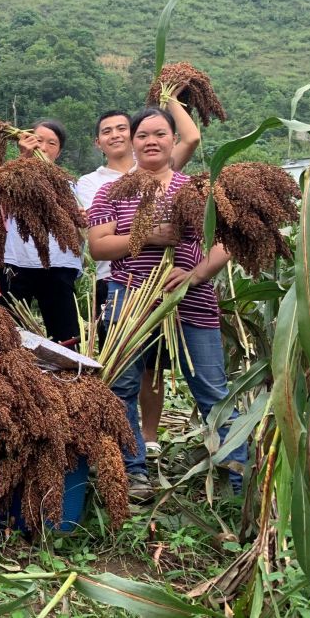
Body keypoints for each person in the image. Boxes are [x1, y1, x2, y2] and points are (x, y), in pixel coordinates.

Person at [88, 106, 246, 501]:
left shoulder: (197, 190)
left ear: (174, 140)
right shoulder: (112, 191)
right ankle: (133, 471)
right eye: (143, 136)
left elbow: (227, 242)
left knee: (212, 389)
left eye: (160, 134)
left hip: (191, 299)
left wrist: (194, 275)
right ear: (132, 142)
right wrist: (150, 237)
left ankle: (239, 479)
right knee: (122, 386)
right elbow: (98, 246)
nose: (151, 141)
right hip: (131, 298)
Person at [77, 97, 201, 454]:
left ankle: (148, 437)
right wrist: (146, 233)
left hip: (170, 283)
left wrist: (169, 100)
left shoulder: (164, 170)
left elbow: (190, 139)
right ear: (97, 141)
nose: (116, 135)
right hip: (118, 281)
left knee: (154, 367)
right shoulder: (95, 184)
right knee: (123, 370)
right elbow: (97, 240)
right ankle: (128, 454)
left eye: (122, 127)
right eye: (107, 131)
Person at [0, 120, 84, 344]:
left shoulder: (70, 185)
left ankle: (69, 377)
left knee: (66, 338)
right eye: (38, 140)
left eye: (52, 143)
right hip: (16, 265)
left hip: (58, 265)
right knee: (11, 338)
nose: (43, 148)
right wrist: (25, 160)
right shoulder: (9, 176)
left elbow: (79, 230)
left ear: (59, 152)